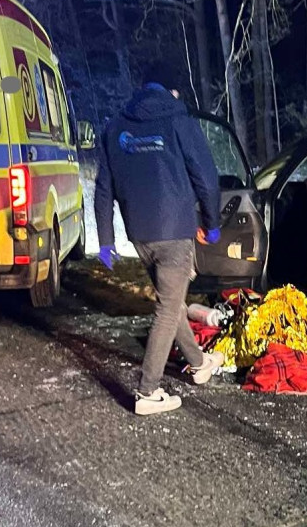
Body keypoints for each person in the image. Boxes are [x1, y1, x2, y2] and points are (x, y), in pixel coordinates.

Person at [95, 76, 226, 415]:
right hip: (174, 231)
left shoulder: (115, 126)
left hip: (140, 234)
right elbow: (206, 176)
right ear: (172, 90)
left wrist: (106, 241)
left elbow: (103, 189)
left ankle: (198, 364)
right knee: (168, 309)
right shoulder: (178, 119)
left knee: (173, 302)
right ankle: (147, 391)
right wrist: (211, 225)